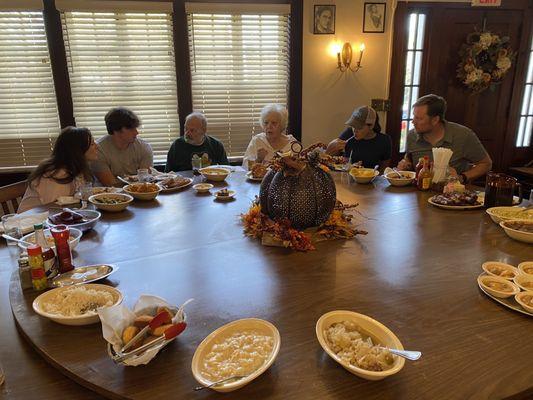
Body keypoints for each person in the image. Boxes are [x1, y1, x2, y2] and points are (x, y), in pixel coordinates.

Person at [397, 94, 492, 183]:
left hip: (451, 194)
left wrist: (462, 177)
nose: (413, 121)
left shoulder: (463, 135)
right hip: (418, 192)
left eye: (419, 118)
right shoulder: (412, 136)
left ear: (435, 120)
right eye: (414, 116)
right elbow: (409, 158)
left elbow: (486, 164)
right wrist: (406, 164)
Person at [18, 127, 98, 213]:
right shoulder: (55, 174)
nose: (97, 146)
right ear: (77, 150)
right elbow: (54, 209)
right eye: (92, 144)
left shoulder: (76, 169)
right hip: (30, 221)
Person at [90, 107, 153, 186]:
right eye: (131, 129)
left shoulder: (144, 147)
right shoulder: (98, 150)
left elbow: (144, 181)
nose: (137, 132)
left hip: (139, 193)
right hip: (109, 195)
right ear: (116, 130)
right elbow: (110, 184)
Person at [242, 104, 297, 169]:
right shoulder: (257, 141)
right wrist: (258, 159)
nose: (269, 126)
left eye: (274, 123)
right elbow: (245, 168)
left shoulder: (293, 145)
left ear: (282, 124)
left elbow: (301, 171)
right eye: (266, 123)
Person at [339, 106, 391, 171]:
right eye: (353, 126)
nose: (355, 130)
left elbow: (385, 167)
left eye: (359, 127)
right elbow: (334, 159)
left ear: (371, 126)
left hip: (373, 179)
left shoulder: (384, 140)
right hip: (348, 177)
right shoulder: (348, 134)